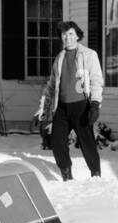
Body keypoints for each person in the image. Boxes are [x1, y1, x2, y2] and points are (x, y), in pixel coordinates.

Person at [36, 20, 103, 180]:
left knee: (87, 144)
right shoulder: (59, 57)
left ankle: (95, 175)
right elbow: (51, 85)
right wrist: (43, 108)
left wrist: (95, 104)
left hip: (81, 106)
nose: (67, 37)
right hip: (62, 108)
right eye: (64, 34)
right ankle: (67, 176)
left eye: (71, 34)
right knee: (57, 143)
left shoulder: (89, 54)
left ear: (77, 36)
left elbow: (96, 80)